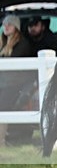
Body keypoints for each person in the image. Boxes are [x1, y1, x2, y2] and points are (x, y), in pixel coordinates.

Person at [0, 14, 35, 147]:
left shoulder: (22, 44)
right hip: (3, 83)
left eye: (9, 24)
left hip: (15, 83)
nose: (6, 26)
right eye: (4, 24)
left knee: (2, 108)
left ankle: (1, 141)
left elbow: (14, 67)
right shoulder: (2, 42)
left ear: (16, 27)